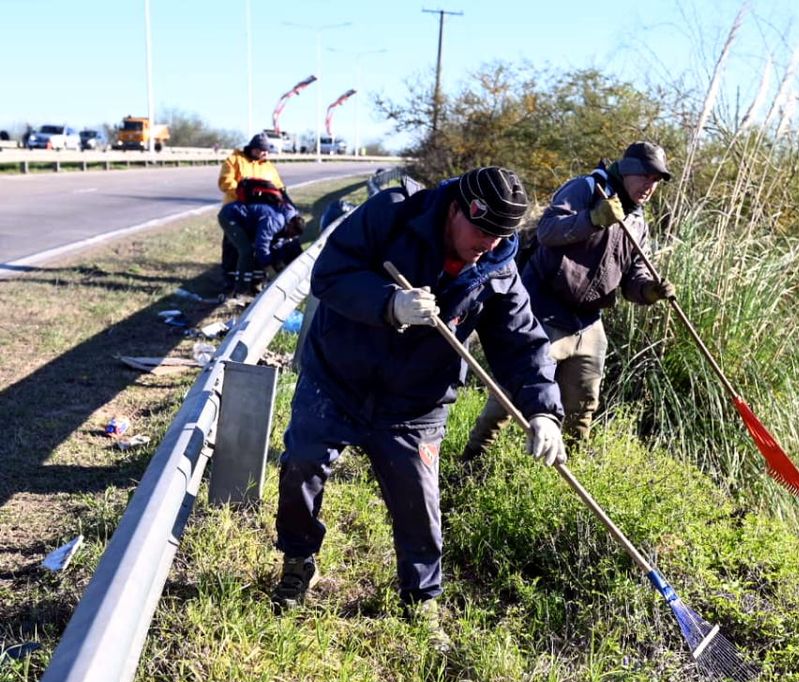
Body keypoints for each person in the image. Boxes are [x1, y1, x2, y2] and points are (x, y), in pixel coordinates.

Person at [271, 166, 566, 647]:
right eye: (482, 231)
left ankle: (421, 599)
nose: (489, 244)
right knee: (301, 468)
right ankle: (298, 562)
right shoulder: (392, 215)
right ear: (457, 210)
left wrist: (543, 411)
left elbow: (521, 343)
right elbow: (329, 275)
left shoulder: (497, 269)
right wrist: (389, 304)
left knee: (418, 506)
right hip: (338, 379)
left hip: (416, 403)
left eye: (501, 236)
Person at [461, 141, 675, 460]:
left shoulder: (637, 222)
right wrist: (594, 219)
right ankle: (472, 460)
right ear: (628, 170)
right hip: (544, 310)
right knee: (514, 393)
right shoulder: (586, 190)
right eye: (646, 175)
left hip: (588, 322)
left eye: (656, 180)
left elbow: (633, 281)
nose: (650, 185)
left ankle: (569, 472)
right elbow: (548, 231)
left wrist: (650, 290)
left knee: (583, 404)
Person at [217, 133, 287, 292]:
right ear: (254, 149)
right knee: (233, 247)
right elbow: (225, 182)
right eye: (263, 151)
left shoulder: (268, 166)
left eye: (267, 151)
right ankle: (229, 280)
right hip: (236, 210)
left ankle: (255, 280)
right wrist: (244, 195)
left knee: (257, 246)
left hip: (258, 215)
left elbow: (278, 188)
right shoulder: (235, 160)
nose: (265, 154)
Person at [216, 199, 305, 294]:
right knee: (246, 251)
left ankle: (254, 284)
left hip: (244, 221)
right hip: (231, 216)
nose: (290, 236)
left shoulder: (286, 223)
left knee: (255, 253)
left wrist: (278, 262)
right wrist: (268, 266)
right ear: (291, 225)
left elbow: (276, 244)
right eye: (292, 234)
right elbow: (262, 244)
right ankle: (241, 289)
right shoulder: (276, 221)